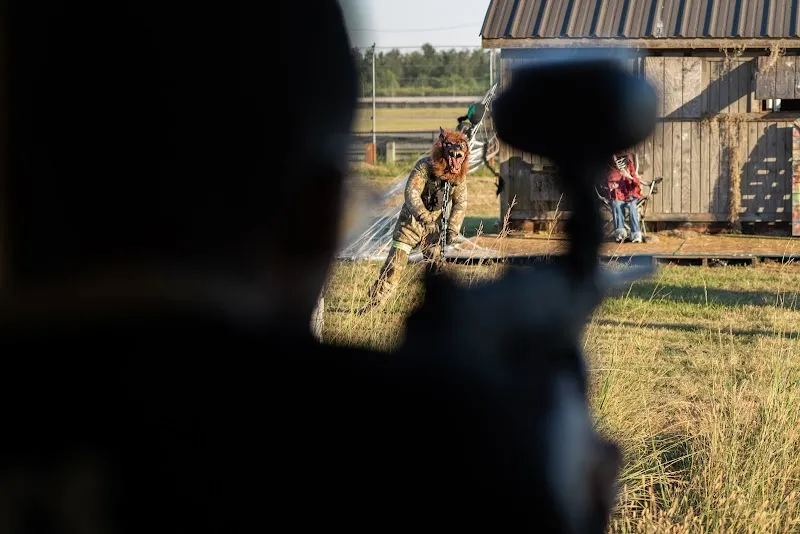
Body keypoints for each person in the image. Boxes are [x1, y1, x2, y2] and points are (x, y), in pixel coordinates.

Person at [0, 0, 620, 531]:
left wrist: (449, 236)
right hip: (410, 242)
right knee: (393, 269)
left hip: (426, 237)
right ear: (317, 216)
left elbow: (453, 211)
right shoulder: (389, 441)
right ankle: (379, 294)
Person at [363, 127, 469, 311]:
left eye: (460, 156)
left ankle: (437, 308)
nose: (455, 161)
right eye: (452, 155)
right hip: (410, 223)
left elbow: (461, 203)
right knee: (394, 266)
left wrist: (452, 228)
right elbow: (411, 193)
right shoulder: (424, 166)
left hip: (436, 227)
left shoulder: (458, 177)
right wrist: (424, 217)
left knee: (437, 268)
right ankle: (374, 304)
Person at [607, 153, 643, 243]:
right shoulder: (612, 171)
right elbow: (608, 183)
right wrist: (612, 186)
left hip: (631, 195)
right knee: (616, 204)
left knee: (632, 207)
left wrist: (628, 176)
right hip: (618, 196)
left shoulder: (630, 169)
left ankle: (635, 234)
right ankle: (620, 233)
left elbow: (637, 183)